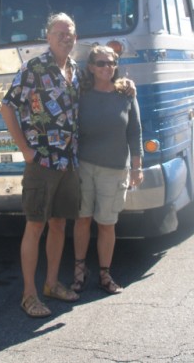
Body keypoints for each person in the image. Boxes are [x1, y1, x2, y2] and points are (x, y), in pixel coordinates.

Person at [0, 12, 80, 318]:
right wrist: (26, 151)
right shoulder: (34, 67)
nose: (65, 37)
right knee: (35, 225)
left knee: (59, 224)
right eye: (59, 32)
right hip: (42, 161)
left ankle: (51, 284)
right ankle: (28, 295)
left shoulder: (74, 68)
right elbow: (7, 107)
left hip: (68, 162)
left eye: (70, 32)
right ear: (47, 37)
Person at [71, 45, 143, 295]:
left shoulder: (126, 94)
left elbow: (135, 131)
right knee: (82, 220)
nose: (107, 68)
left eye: (111, 63)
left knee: (107, 223)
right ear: (90, 67)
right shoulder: (81, 94)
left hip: (114, 169)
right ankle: (79, 272)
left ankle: (105, 274)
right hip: (84, 167)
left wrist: (137, 166)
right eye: (101, 63)